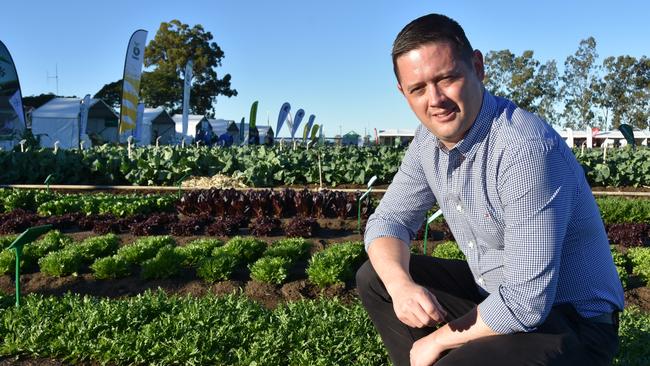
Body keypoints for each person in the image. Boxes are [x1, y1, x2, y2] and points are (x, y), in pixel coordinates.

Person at [356, 13, 624, 366]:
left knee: (445, 356)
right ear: (403, 92)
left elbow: (527, 302)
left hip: (573, 324)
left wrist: (437, 341)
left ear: (478, 67)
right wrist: (401, 287)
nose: (435, 99)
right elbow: (388, 222)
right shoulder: (427, 142)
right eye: (417, 88)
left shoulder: (524, 150)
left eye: (447, 78)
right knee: (376, 276)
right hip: (499, 297)